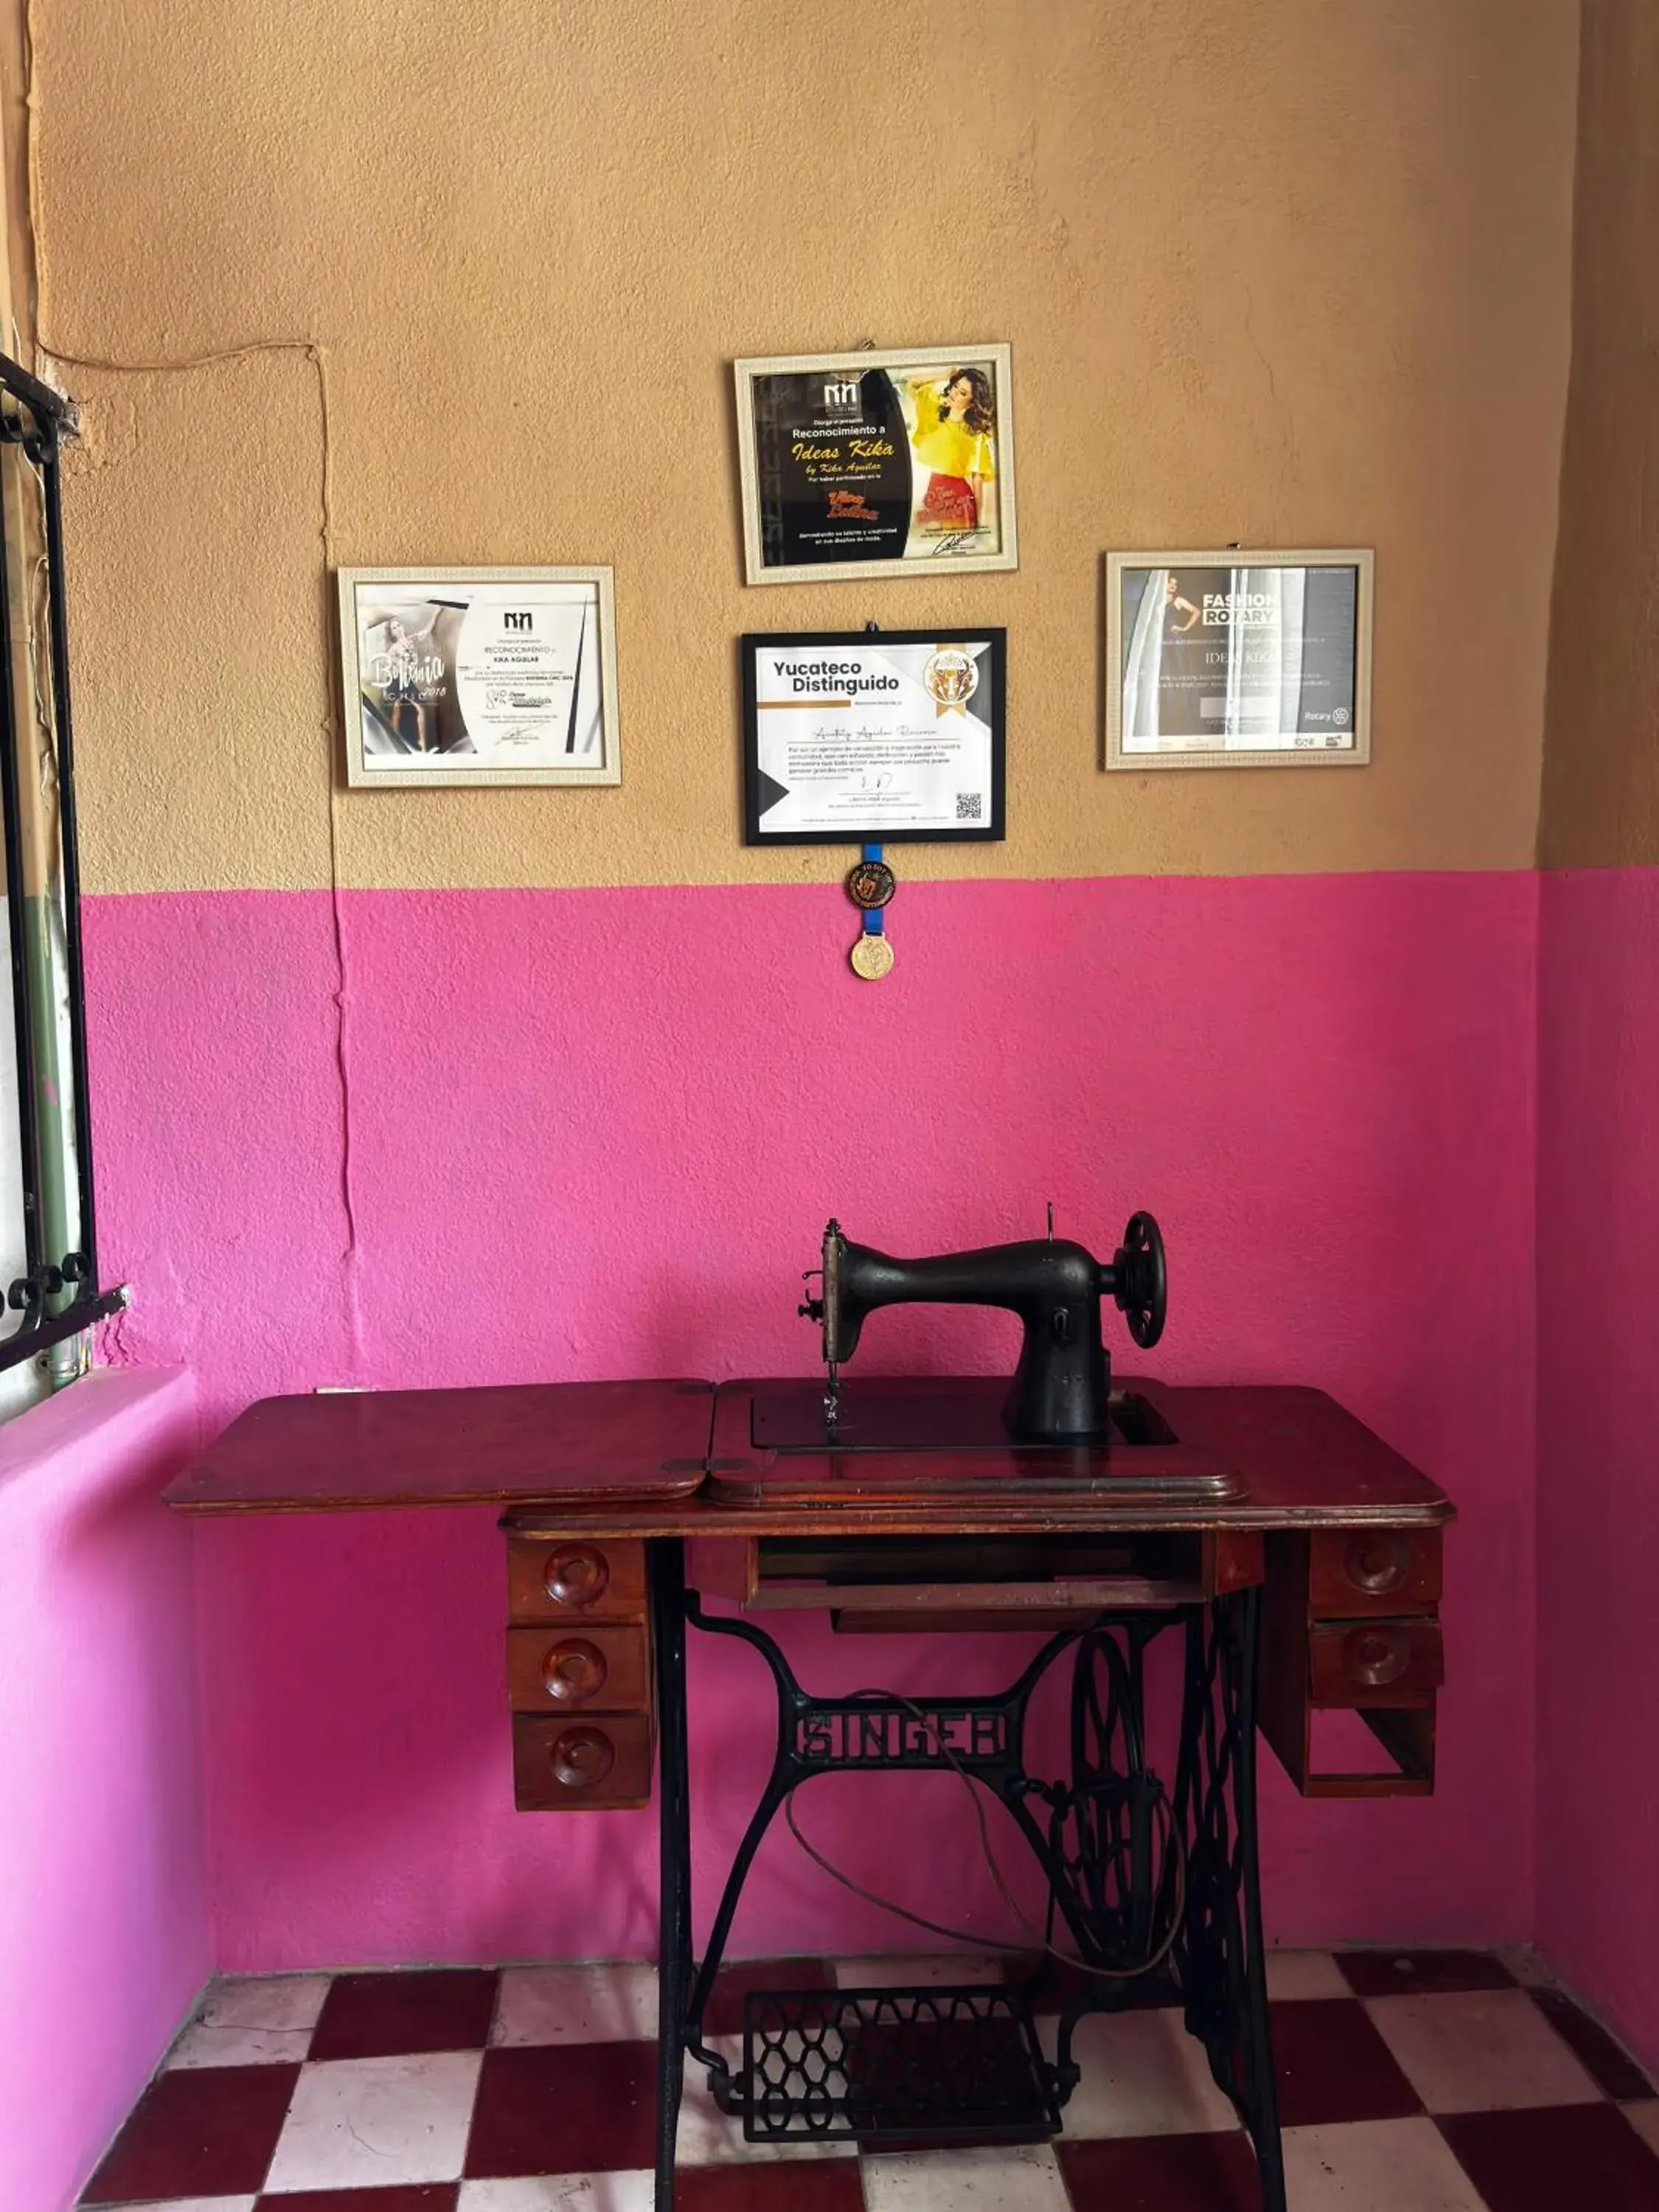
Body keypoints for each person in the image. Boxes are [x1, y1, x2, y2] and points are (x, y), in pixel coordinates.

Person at [907, 367, 997, 538]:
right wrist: (943, 375)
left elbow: (977, 479)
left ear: (972, 402)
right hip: (934, 491)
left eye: (962, 392)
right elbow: (911, 385)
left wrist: (980, 525)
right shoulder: (935, 409)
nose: (954, 393)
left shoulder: (975, 434)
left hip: (958, 498)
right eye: (955, 386)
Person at [369, 609, 441, 753]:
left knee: (422, 708)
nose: (397, 628)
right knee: (395, 713)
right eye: (394, 628)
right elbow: (384, 665)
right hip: (396, 682)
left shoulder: (411, 640)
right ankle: (394, 747)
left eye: (398, 625)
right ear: (392, 634)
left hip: (406, 681)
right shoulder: (394, 648)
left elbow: (426, 631)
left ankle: (424, 747)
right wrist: (394, 667)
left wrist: (437, 612)